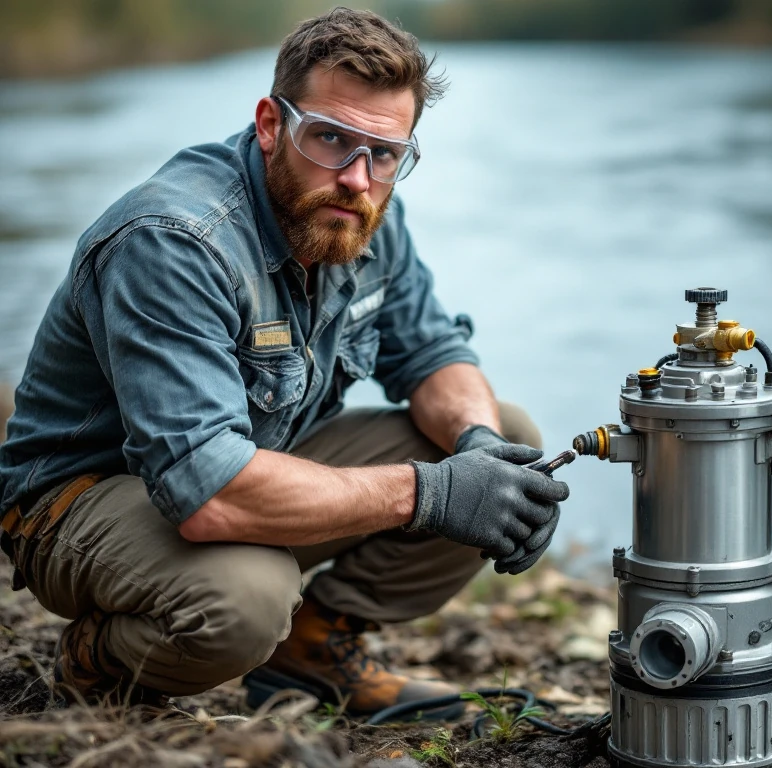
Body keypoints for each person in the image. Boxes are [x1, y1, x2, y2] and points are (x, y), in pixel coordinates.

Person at [0, 7, 569, 717]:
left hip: (244, 465)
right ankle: (97, 662)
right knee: (245, 597)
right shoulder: (173, 241)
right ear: (272, 124)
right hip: (78, 500)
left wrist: (480, 451)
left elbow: (431, 353)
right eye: (330, 138)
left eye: (384, 154)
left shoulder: (356, 211)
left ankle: (315, 652)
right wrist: (433, 494)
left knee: (503, 443)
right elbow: (208, 491)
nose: (359, 179)